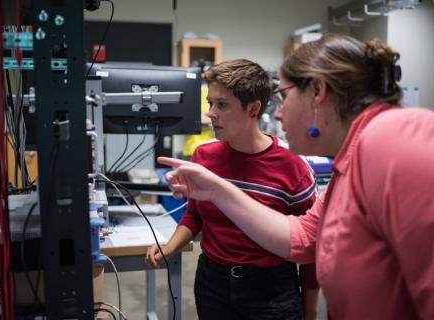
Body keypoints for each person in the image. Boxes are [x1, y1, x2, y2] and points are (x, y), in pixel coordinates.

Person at [158, 35, 434, 320]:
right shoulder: (350, 165)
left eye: (283, 97)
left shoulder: (397, 141)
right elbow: (302, 239)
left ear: (317, 91)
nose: (277, 114)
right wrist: (217, 190)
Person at [146, 59, 320, 319]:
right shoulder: (204, 156)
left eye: (222, 105)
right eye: (210, 104)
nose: (211, 114)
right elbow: (195, 213)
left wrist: (310, 311)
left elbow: (309, 249)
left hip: (270, 290)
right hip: (212, 283)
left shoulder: (292, 165)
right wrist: (171, 246)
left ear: (253, 109)